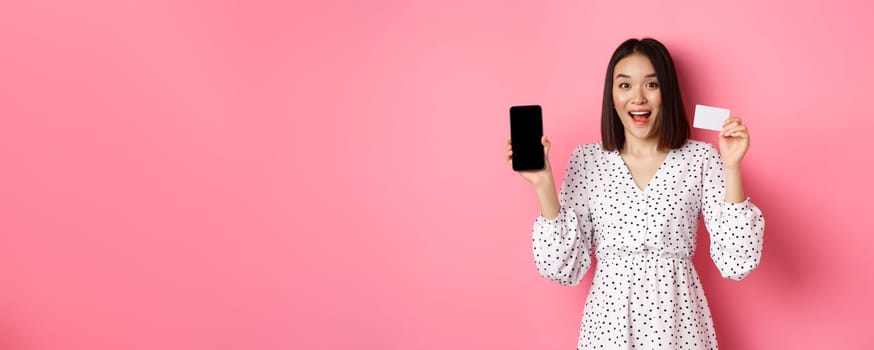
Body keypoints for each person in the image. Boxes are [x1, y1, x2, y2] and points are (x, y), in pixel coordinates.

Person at [505, 38, 765, 349]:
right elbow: (563, 267)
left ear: (666, 91)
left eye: (651, 84)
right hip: (608, 327)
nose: (638, 98)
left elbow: (738, 260)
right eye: (625, 85)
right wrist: (543, 184)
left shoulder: (701, 158)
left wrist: (732, 165)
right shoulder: (588, 160)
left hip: (678, 325)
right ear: (611, 95)